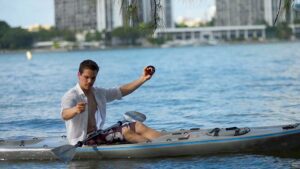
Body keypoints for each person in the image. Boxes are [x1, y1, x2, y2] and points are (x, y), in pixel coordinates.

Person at [61, 59, 161, 145]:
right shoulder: (71, 95)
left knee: (138, 125)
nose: (90, 81)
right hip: (83, 141)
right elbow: (64, 115)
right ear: (79, 75)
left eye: (93, 78)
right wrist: (75, 110)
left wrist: (143, 78)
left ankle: (167, 141)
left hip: (98, 134)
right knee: (127, 132)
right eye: (86, 77)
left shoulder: (98, 93)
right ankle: (158, 148)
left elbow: (121, 91)